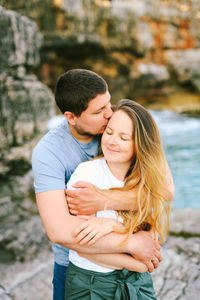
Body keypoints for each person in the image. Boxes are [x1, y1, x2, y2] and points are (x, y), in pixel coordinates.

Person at [32, 69, 174, 300]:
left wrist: (105, 200)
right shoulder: (48, 153)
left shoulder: (119, 122)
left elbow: (164, 190)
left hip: (130, 267)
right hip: (80, 267)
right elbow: (59, 230)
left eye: (109, 102)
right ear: (71, 117)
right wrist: (133, 243)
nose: (110, 114)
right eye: (99, 111)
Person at [65, 99, 172, 299]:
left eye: (124, 137)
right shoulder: (86, 175)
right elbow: (82, 247)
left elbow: (150, 241)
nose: (112, 141)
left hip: (137, 283)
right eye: (110, 132)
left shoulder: (146, 181)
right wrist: (136, 261)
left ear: (140, 144)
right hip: (91, 282)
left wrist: (110, 226)